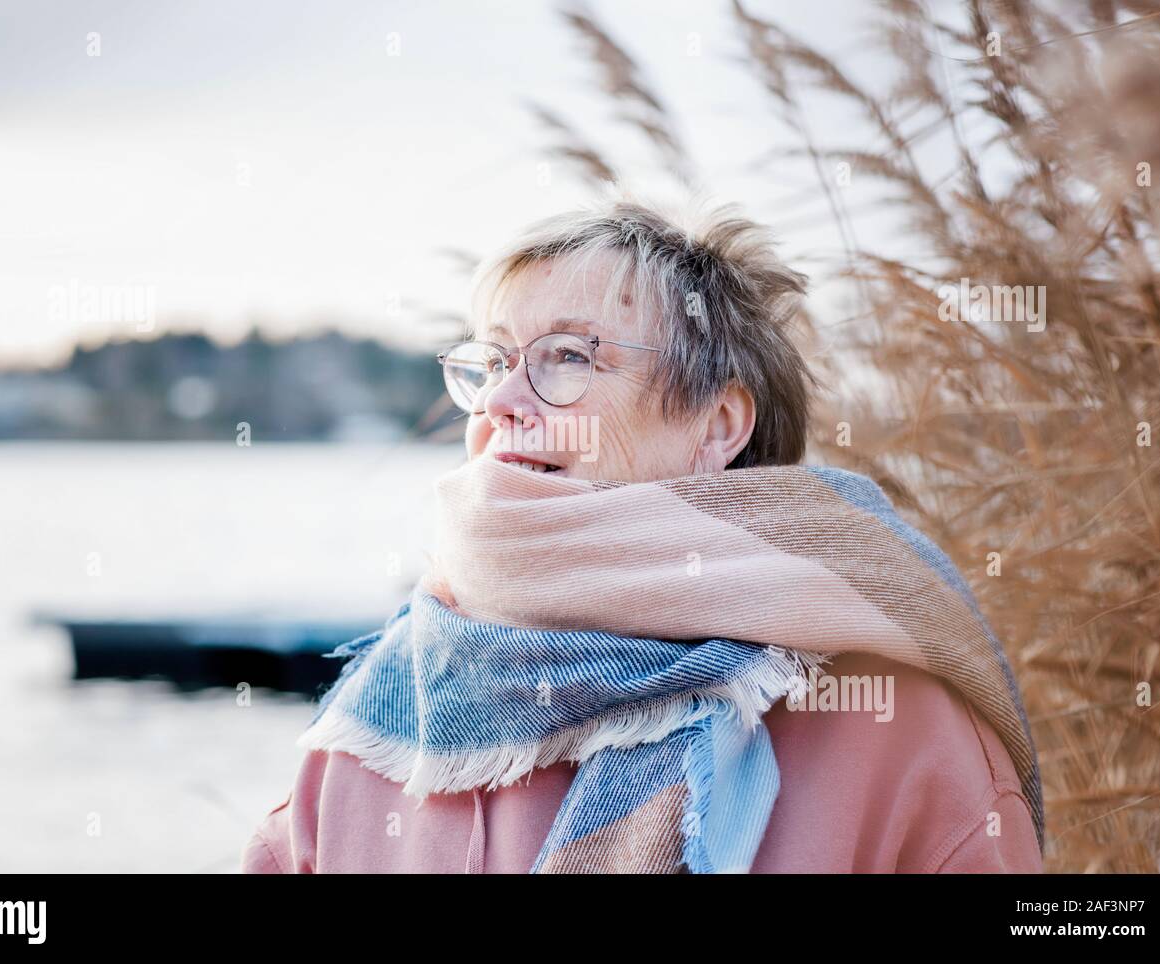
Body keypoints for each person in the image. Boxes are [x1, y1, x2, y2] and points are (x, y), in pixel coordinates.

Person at [241, 191, 1044, 873]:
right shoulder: (382, 721)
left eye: (566, 358)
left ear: (717, 422)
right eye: (491, 363)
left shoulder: (890, 721)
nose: (500, 401)